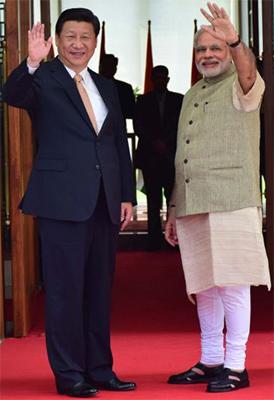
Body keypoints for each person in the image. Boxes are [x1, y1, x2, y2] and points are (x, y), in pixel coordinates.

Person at [3, 8, 136, 398]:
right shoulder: (42, 78)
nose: (78, 44)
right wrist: (30, 61)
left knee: (98, 290)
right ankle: (70, 374)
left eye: (86, 37)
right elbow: (11, 95)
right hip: (62, 202)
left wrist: (126, 193)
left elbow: (115, 144)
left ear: (95, 41)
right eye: (70, 37)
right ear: (57, 40)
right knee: (64, 291)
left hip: (104, 202)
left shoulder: (106, 86)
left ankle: (100, 369)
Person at [165, 2, 271, 393]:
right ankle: (211, 358)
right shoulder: (192, 93)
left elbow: (248, 71)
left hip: (232, 198)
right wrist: (174, 208)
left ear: (229, 52)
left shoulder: (243, 85)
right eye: (201, 49)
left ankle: (236, 366)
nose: (207, 55)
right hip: (194, 200)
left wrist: (237, 41)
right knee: (204, 284)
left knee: (232, 283)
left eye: (216, 48)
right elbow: (182, 155)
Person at [133, 66, 183, 250]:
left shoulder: (179, 100)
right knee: (153, 201)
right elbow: (139, 126)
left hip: (171, 156)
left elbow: (181, 124)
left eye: (164, 77)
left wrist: (166, 142)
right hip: (151, 157)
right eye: (157, 77)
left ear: (168, 79)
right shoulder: (143, 100)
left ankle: (175, 239)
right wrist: (155, 142)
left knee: (174, 199)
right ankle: (153, 241)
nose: (161, 80)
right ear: (153, 79)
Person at [99, 53, 135, 126]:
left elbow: (131, 112)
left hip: (118, 130)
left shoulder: (125, 88)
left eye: (111, 66)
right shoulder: (88, 86)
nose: (108, 69)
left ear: (115, 68)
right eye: (106, 65)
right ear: (100, 67)